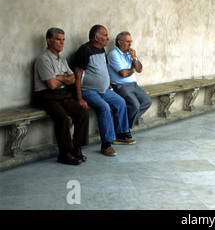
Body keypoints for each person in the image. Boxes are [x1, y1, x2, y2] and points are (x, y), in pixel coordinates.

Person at [73, 25, 136, 157]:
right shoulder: (84, 50)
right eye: (105, 35)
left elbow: (103, 69)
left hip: (104, 90)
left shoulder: (101, 49)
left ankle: (121, 135)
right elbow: (77, 75)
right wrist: (79, 98)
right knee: (104, 107)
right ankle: (106, 144)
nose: (108, 38)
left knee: (120, 102)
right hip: (88, 91)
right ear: (96, 37)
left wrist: (109, 86)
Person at [34, 28, 89, 165]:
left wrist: (60, 78)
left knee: (82, 113)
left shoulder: (62, 59)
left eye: (63, 40)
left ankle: (76, 148)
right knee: (62, 118)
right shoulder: (43, 59)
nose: (62, 43)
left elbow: (74, 78)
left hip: (62, 95)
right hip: (45, 96)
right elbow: (51, 85)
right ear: (49, 40)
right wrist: (64, 78)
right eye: (58, 39)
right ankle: (64, 154)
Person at [107, 32, 152, 138]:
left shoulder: (130, 54)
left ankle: (124, 126)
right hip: (121, 86)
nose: (130, 44)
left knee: (147, 101)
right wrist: (132, 68)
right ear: (119, 42)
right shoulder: (114, 54)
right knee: (135, 106)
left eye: (131, 41)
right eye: (127, 41)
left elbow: (139, 69)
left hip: (133, 85)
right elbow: (123, 73)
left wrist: (135, 58)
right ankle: (123, 130)